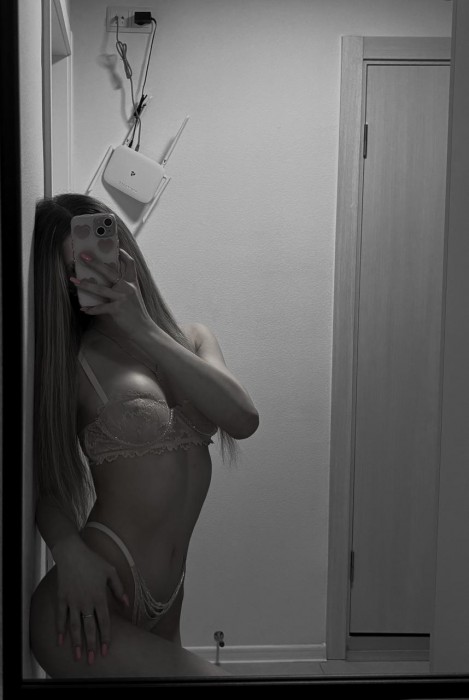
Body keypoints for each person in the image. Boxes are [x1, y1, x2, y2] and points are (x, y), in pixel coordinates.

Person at [29, 193, 259, 678]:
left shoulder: (195, 339)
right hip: (87, 598)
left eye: (102, 257)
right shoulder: (74, 363)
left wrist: (142, 328)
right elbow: (45, 478)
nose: (94, 275)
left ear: (125, 250)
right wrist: (69, 553)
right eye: (76, 269)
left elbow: (243, 419)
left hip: (166, 599)